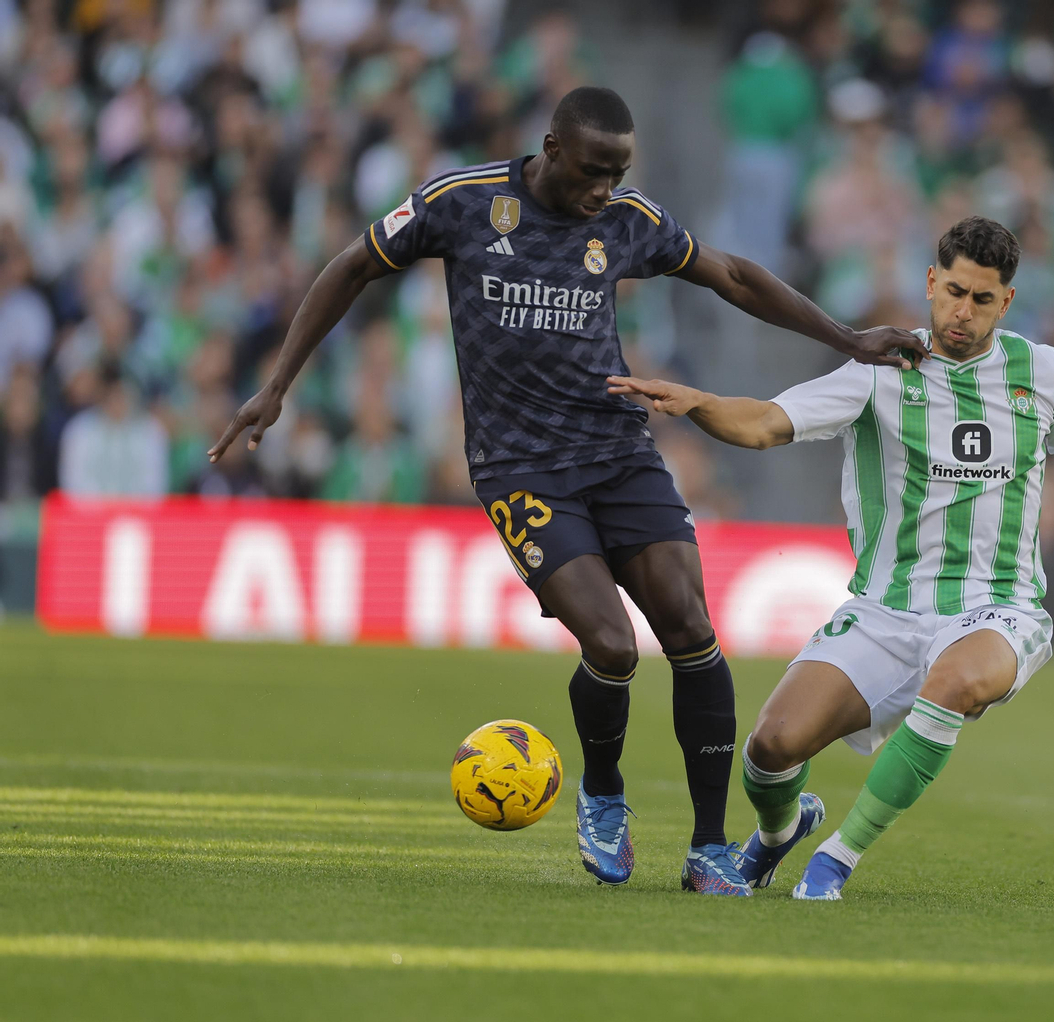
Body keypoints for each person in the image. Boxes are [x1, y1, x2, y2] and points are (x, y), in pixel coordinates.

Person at [207, 86, 928, 897]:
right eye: (591, 173)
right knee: (614, 644)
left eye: (617, 175)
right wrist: (277, 385)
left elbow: (730, 275)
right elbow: (350, 267)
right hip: (520, 466)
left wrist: (847, 339)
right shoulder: (463, 202)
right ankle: (603, 793)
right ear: (551, 148)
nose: (602, 192)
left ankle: (707, 847)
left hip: (618, 451)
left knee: (691, 627)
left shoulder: (627, 221)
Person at [607, 216, 1054, 900]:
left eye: (980, 299)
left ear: (1006, 302)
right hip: (886, 609)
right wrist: (701, 404)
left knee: (955, 684)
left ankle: (836, 860)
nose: (961, 312)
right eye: (952, 292)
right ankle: (777, 832)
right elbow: (768, 423)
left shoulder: (1044, 374)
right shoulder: (880, 368)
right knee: (769, 749)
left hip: (1000, 607)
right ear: (930, 283)